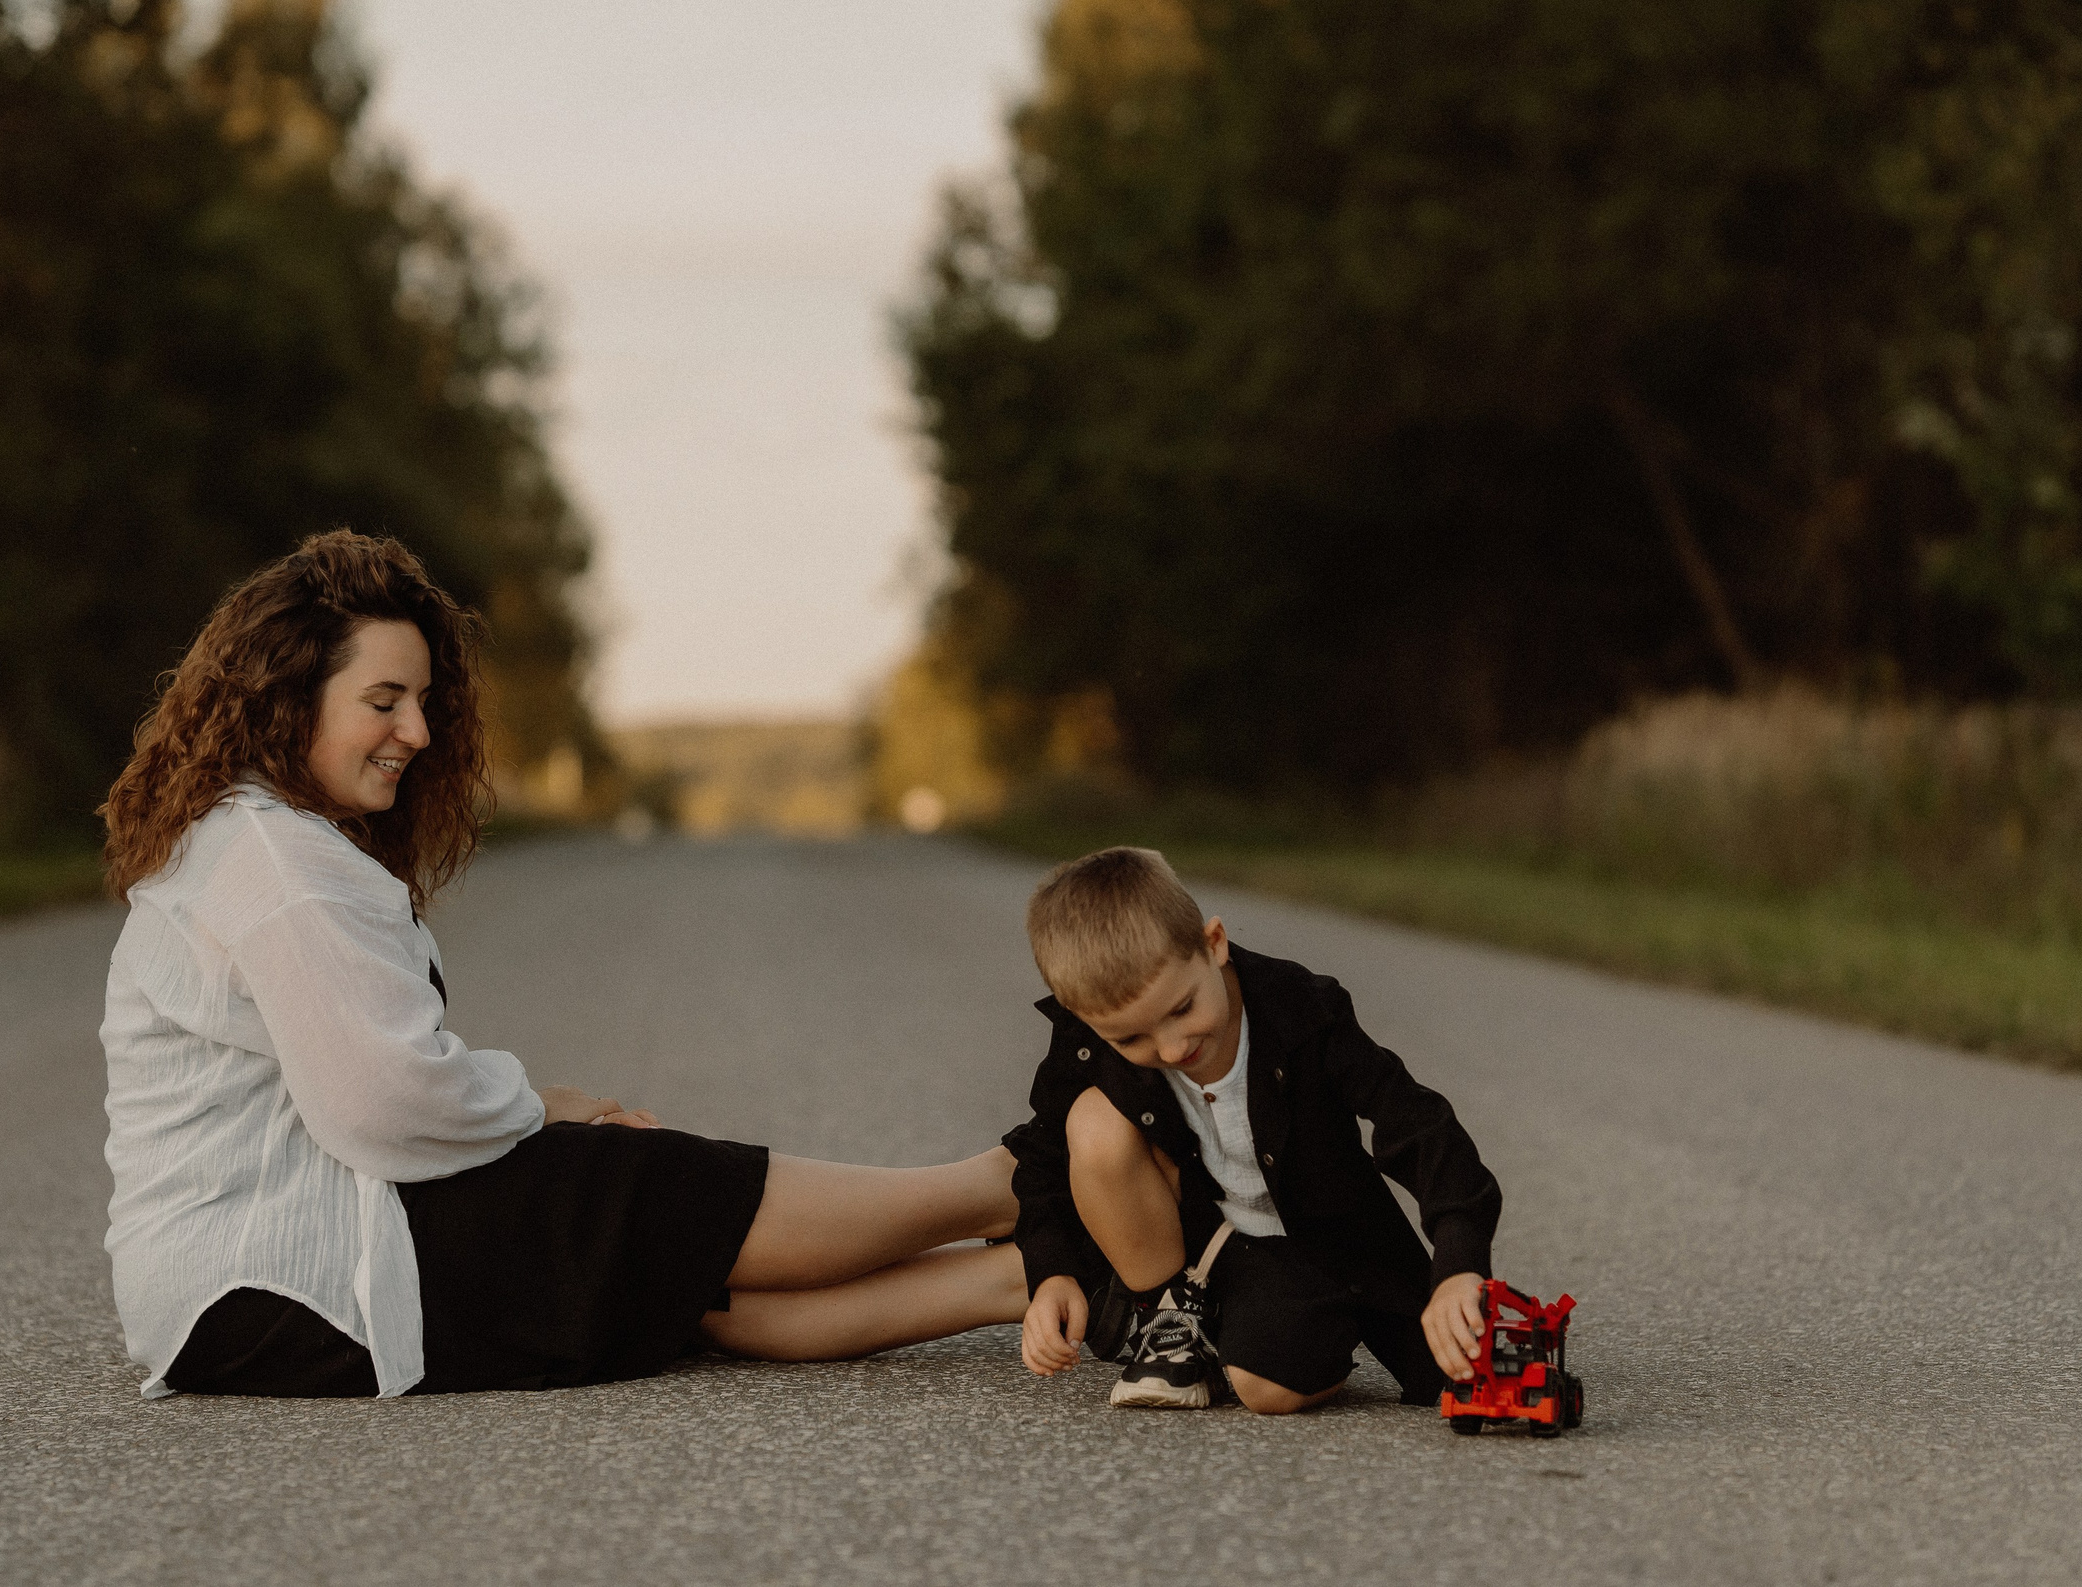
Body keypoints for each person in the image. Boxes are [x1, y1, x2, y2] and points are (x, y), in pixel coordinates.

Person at [97, 529, 1025, 1398]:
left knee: (662, 1269)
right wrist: (543, 1109)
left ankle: (1025, 1274)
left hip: (244, 1283)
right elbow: (386, 1102)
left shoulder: (259, 839)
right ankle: (1007, 1186)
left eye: (421, 702)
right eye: (384, 702)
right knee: (631, 1187)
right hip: (272, 1274)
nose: (417, 732)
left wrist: (543, 1122)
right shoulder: (273, 859)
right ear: (290, 695)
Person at [1005, 847, 1502, 1412]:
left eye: (1182, 1008)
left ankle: (1263, 1331)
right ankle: (1175, 1319)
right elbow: (1043, 1159)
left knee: (1432, 1376)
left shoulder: (1302, 1010)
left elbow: (1418, 1125)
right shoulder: (1089, 1042)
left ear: (1213, 943)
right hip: (1218, 1248)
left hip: (1331, 1245)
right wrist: (1052, 1273)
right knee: (1091, 1122)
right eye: (1131, 1039)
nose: (1171, 1048)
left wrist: (1459, 1263)